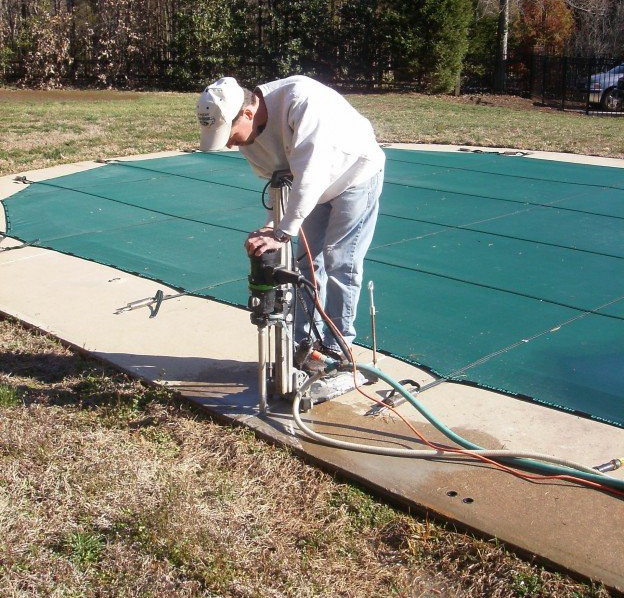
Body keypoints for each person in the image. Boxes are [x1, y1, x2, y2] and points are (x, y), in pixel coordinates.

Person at [197, 75, 384, 395]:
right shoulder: (249, 135)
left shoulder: (301, 101)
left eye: (228, 134)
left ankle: (340, 350)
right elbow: (281, 181)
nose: (229, 143)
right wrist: (273, 222)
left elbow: (311, 173)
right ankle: (305, 344)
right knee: (307, 265)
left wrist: (282, 232)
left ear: (246, 113)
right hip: (313, 187)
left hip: (354, 172)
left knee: (341, 261)